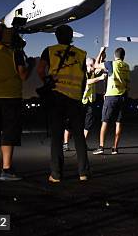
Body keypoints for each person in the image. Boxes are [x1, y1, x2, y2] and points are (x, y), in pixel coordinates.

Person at [0, 23, 33, 181]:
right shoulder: (14, 53)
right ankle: (6, 170)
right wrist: (31, 65)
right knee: (8, 133)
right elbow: (23, 75)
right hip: (11, 97)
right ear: (4, 36)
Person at [37, 25, 90, 182]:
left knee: (57, 136)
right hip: (75, 98)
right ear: (72, 36)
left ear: (57, 36)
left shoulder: (49, 50)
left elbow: (40, 70)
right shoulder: (81, 54)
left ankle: (56, 174)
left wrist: (47, 81)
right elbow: (84, 77)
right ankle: (83, 172)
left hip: (56, 97)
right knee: (79, 136)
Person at [93, 47, 131, 155]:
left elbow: (95, 65)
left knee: (105, 121)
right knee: (118, 122)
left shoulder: (111, 64)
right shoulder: (126, 66)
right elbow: (128, 83)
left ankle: (101, 147)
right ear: (123, 56)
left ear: (115, 56)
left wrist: (100, 52)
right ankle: (115, 148)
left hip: (111, 97)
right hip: (123, 97)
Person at [82, 57, 105, 139]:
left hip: (90, 101)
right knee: (72, 122)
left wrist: (102, 51)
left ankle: (83, 143)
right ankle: (66, 143)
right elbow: (86, 82)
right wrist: (100, 78)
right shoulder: (81, 72)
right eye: (93, 66)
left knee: (88, 122)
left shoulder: (93, 72)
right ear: (89, 65)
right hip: (80, 100)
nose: (95, 67)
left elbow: (99, 63)